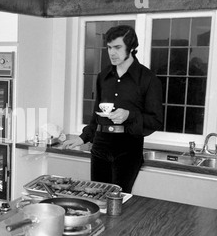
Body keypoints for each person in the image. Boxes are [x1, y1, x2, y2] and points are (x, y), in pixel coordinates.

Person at [62, 25, 163, 193]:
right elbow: (96, 118)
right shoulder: (103, 77)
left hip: (128, 147)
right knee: (97, 197)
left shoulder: (149, 79)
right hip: (101, 144)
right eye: (109, 47)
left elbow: (155, 120)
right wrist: (83, 138)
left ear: (131, 48)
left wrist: (129, 115)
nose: (112, 53)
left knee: (118, 201)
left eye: (117, 47)